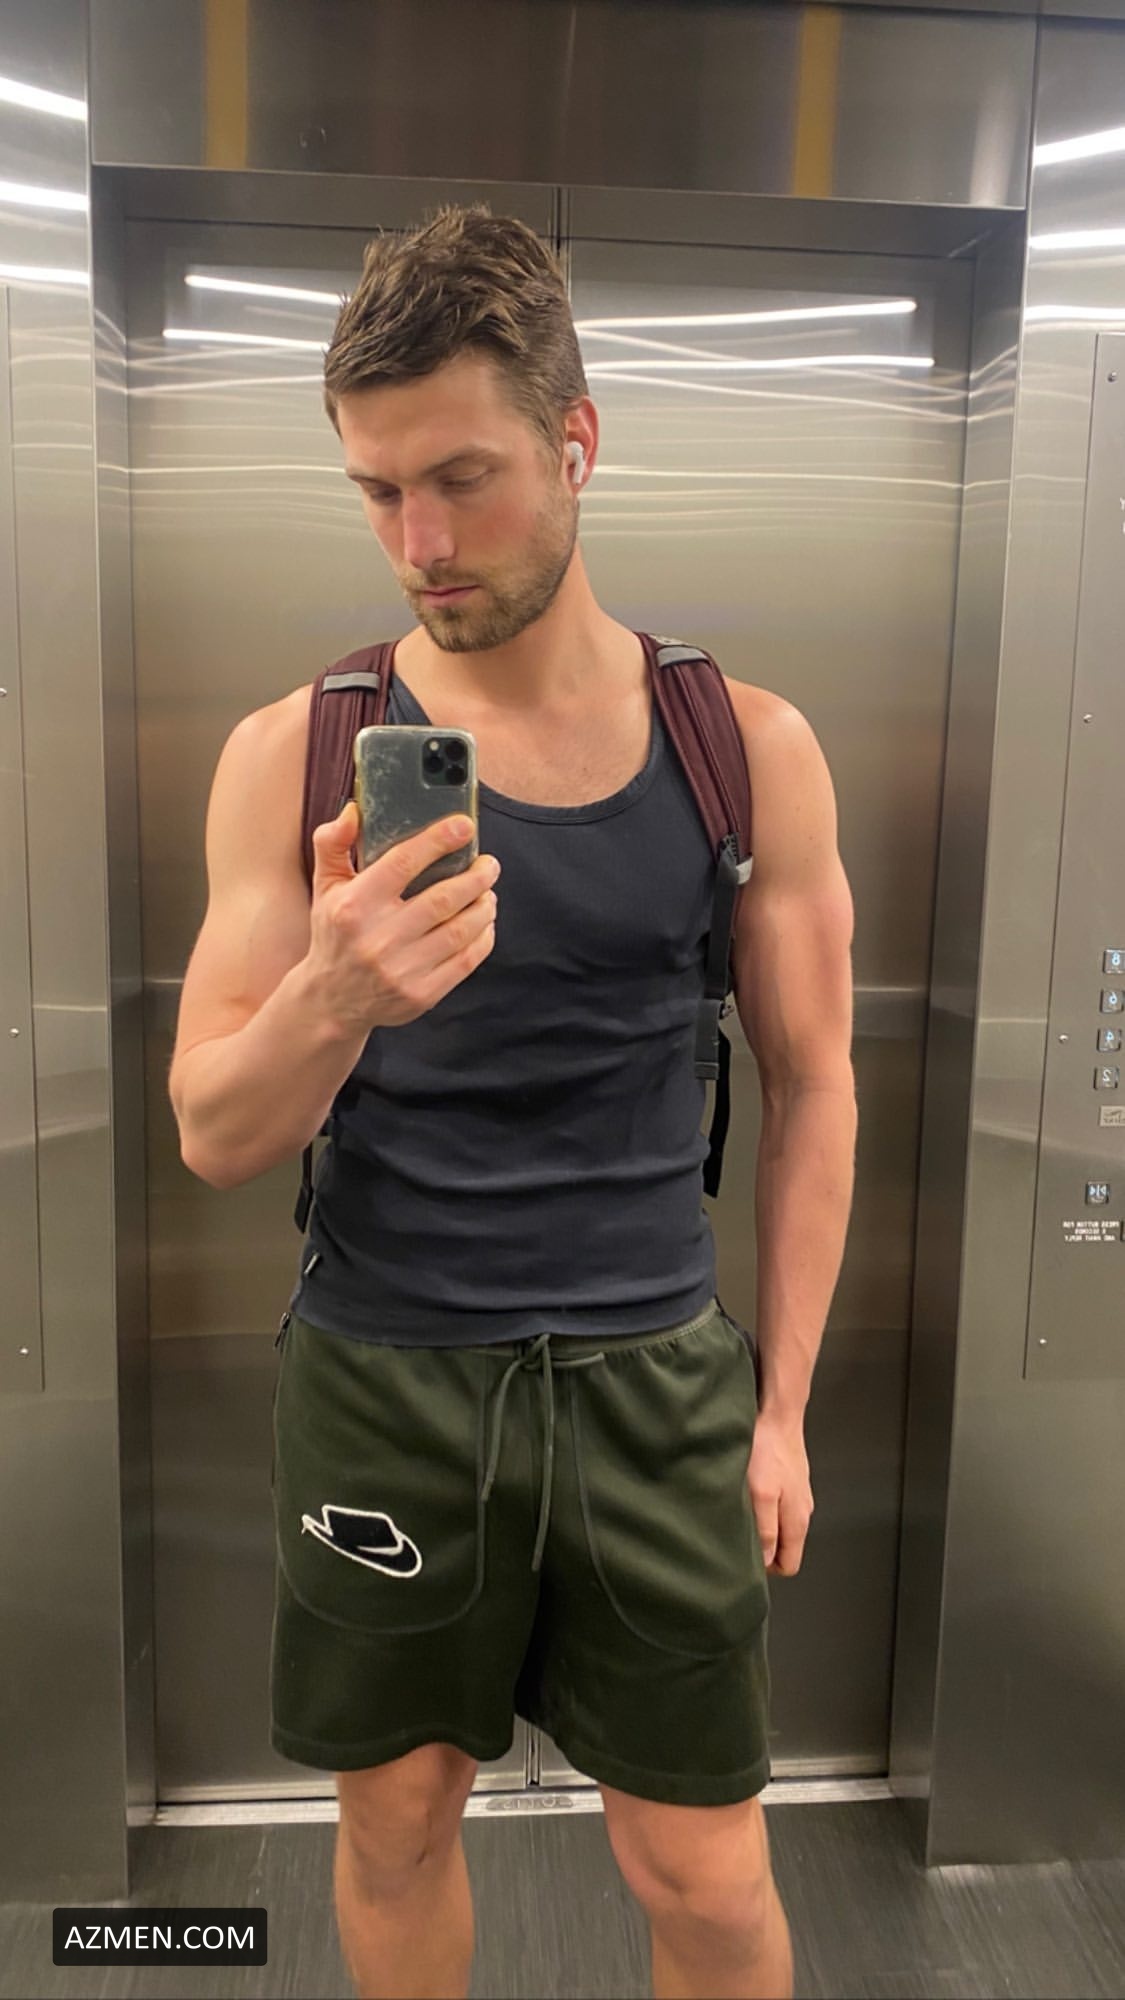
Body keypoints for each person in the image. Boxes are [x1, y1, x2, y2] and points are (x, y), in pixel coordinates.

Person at [169, 204, 856, 2000]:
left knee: (702, 1872)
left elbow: (816, 1086)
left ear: (575, 443)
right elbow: (215, 1132)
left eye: (461, 480)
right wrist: (334, 992)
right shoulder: (294, 755)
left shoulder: (744, 749)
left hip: (654, 1380)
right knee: (396, 1827)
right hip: (386, 1378)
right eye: (378, 493)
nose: (420, 543)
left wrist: (783, 1410)